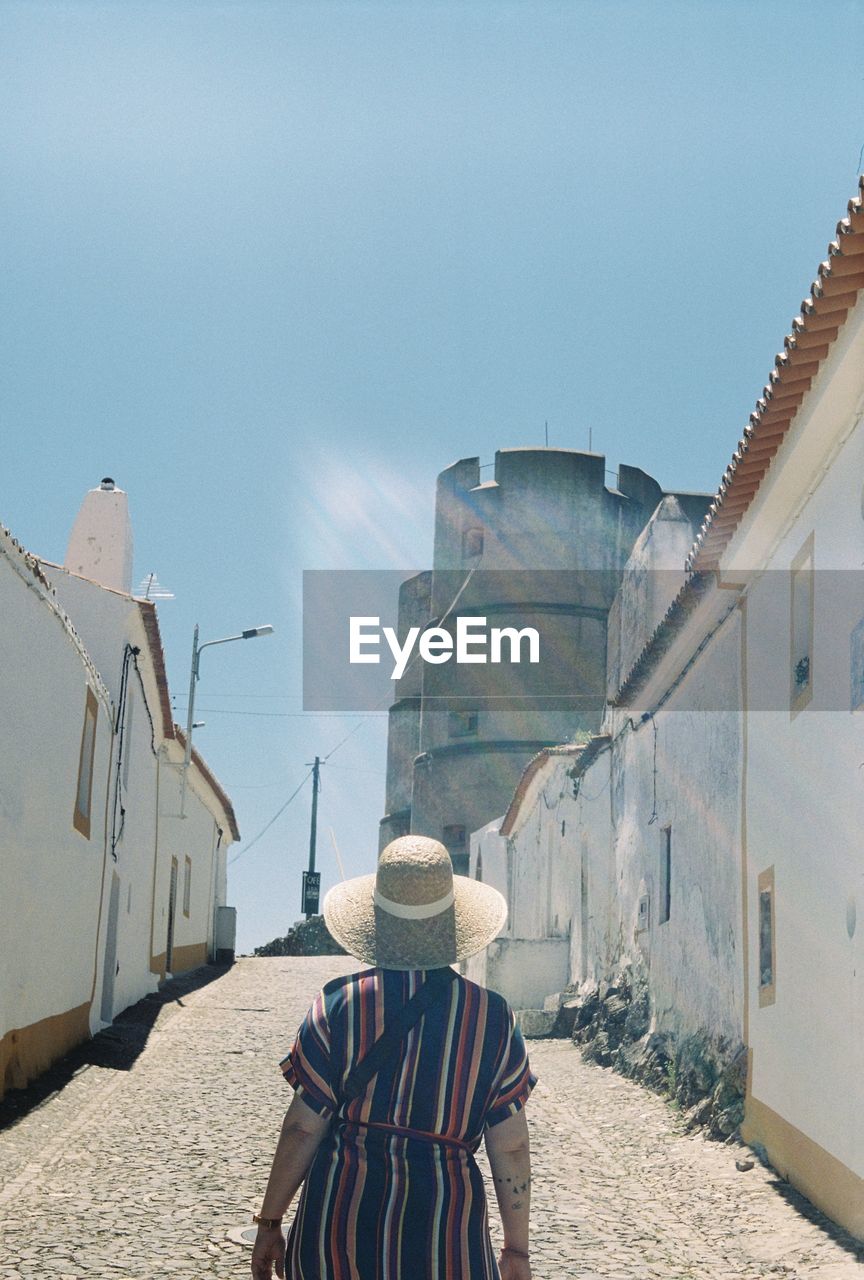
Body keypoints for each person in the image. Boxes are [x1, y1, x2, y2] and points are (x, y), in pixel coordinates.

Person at [251, 834, 536, 1280]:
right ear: (452, 923)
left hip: (335, 1235)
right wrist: (516, 1251)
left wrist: (270, 1221)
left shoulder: (338, 1005)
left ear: (377, 919)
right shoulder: (493, 1018)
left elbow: (304, 1127)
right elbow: (512, 1145)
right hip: (447, 1242)